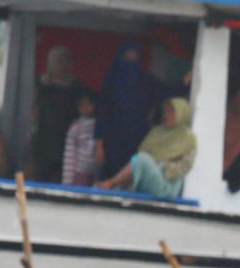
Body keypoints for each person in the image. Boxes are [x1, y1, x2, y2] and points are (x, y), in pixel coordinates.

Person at [99, 96, 198, 198]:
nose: (167, 115)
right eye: (166, 111)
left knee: (143, 159)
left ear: (181, 114)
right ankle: (114, 186)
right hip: (148, 180)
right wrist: (150, 168)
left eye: (172, 112)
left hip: (167, 187)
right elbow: (137, 160)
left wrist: (160, 167)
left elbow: (185, 166)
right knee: (139, 161)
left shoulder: (187, 138)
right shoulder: (156, 132)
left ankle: (112, 182)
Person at [96, 44, 160, 179]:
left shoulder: (146, 82)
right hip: (112, 142)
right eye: (127, 58)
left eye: (134, 59)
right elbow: (102, 113)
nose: (130, 64)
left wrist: (185, 82)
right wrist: (99, 146)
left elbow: (166, 91)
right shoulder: (111, 81)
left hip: (137, 140)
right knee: (108, 179)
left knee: (130, 178)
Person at [31, 46, 90, 182]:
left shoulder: (77, 86)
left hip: (70, 143)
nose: (63, 65)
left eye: (67, 61)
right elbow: (34, 111)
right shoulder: (41, 84)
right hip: (44, 141)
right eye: (59, 61)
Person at [60, 91, 102, 185]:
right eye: (82, 105)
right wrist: (67, 182)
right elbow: (69, 155)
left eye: (89, 104)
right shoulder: (75, 127)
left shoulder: (101, 125)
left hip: (98, 172)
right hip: (80, 172)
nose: (86, 108)